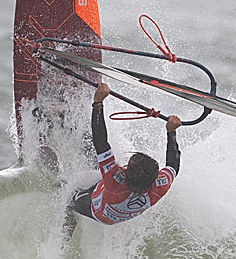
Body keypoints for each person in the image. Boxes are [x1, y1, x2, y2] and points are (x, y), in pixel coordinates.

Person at [68, 82, 182, 227]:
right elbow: (173, 166)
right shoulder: (160, 186)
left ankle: (68, 224)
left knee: (67, 194)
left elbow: (100, 142)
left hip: (98, 211)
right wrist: (171, 131)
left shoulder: (115, 180)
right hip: (113, 199)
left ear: (125, 174)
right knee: (99, 165)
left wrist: (98, 103)